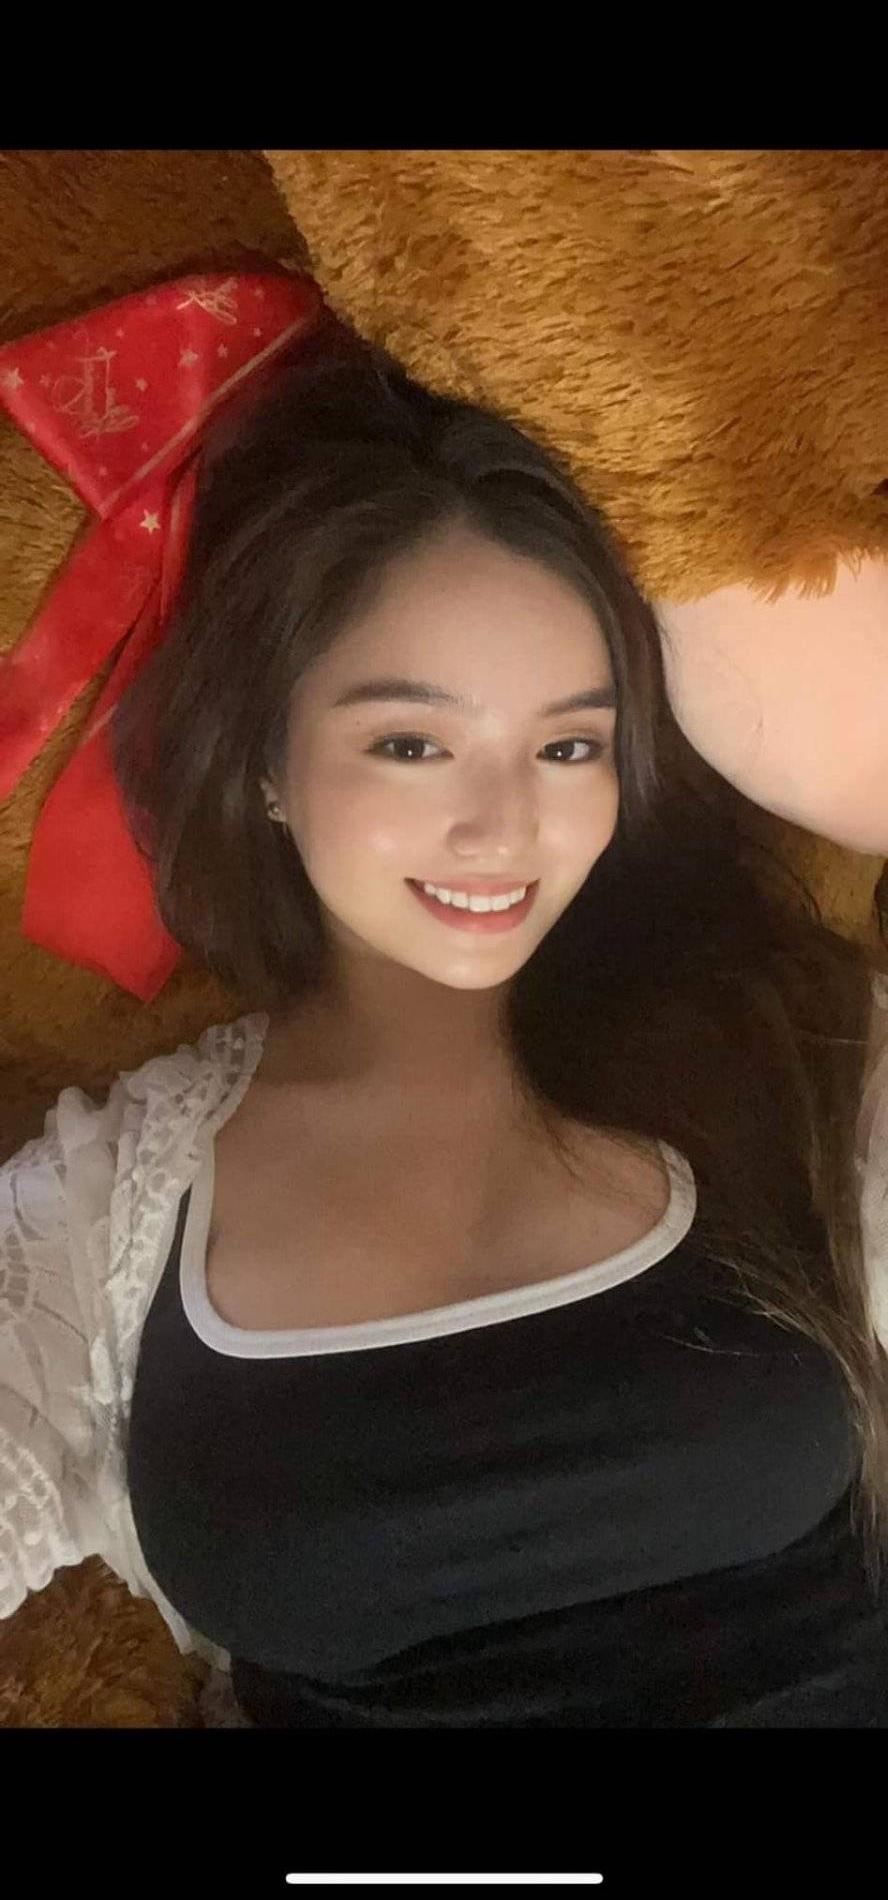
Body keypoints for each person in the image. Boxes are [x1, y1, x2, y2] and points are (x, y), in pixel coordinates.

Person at [2, 333, 888, 1728]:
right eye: (410, 744)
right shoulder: (109, 1216)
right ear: (266, 761)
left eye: (569, 746)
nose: (503, 827)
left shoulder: (803, 1053)